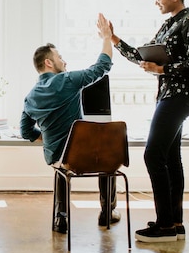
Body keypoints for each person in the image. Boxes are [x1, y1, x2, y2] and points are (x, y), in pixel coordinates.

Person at [106, 0, 189, 243]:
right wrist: (113, 38)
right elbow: (142, 56)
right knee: (171, 157)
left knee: (153, 154)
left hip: (181, 95)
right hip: (169, 95)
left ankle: (163, 226)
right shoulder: (168, 25)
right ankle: (174, 223)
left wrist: (163, 70)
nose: (156, 2)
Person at [20, 14, 119, 234]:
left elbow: (25, 131)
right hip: (86, 157)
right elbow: (102, 67)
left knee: (61, 166)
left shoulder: (29, 97)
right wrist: (106, 37)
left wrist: (49, 135)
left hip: (61, 159)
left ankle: (61, 217)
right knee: (106, 158)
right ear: (48, 62)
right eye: (60, 57)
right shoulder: (67, 80)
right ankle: (107, 211)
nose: (64, 61)